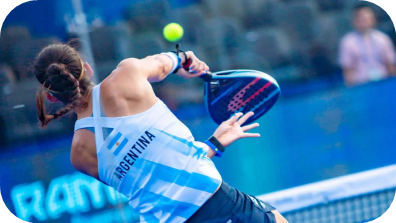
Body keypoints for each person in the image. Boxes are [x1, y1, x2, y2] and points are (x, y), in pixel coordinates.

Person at [33, 42, 288, 223]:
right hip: (219, 204)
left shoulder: (79, 155)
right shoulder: (127, 74)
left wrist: (214, 144)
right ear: (86, 69)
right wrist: (185, 59)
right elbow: (167, 63)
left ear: (50, 96)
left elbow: (154, 182)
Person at [338, 3, 396, 86]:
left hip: (384, 84)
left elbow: (390, 65)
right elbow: (348, 71)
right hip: (362, 87)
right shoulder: (347, 42)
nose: (364, 21)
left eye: (367, 18)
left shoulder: (383, 39)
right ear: (354, 20)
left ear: (373, 19)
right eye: (360, 18)